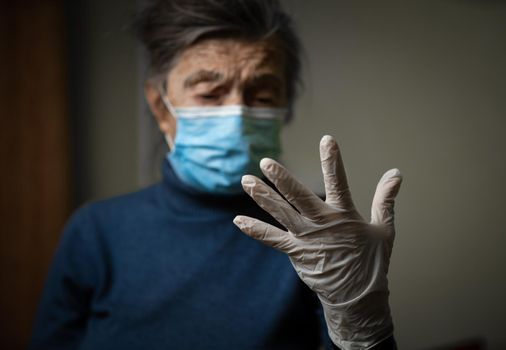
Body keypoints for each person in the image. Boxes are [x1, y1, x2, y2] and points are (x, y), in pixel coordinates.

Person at [30, 0, 402, 349]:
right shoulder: (95, 232)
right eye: (210, 93)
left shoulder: (319, 235)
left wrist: (364, 325)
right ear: (160, 106)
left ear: (284, 103)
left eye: (261, 93)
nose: (237, 114)